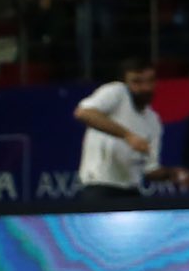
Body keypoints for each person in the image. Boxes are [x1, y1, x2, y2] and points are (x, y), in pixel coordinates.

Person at [73, 59, 180, 201]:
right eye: (137, 82)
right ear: (125, 83)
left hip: (131, 190)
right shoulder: (117, 92)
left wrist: (173, 174)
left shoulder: (153, 120)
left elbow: (150, 170)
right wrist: (127, 135)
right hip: (100, 186)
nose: (145, 87)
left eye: (150, 81)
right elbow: (83, 113)